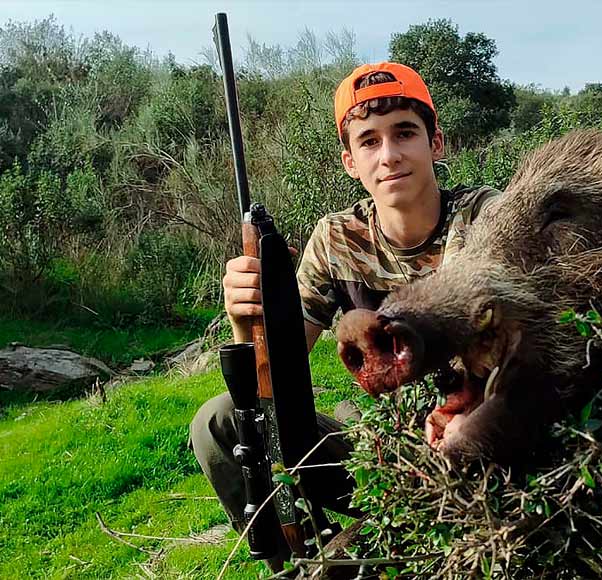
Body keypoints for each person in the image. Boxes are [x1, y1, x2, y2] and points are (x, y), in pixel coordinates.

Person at [190, 61, 501, 567]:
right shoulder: (337, 239)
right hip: (380, 453)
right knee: (218, 420)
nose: (390, 155)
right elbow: (282, 370)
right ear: (350, 162)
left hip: (481, 438)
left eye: (405, 133)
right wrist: (246, 321)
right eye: (369, 141)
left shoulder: (488, 217)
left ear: (436, 143)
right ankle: (293, 554)